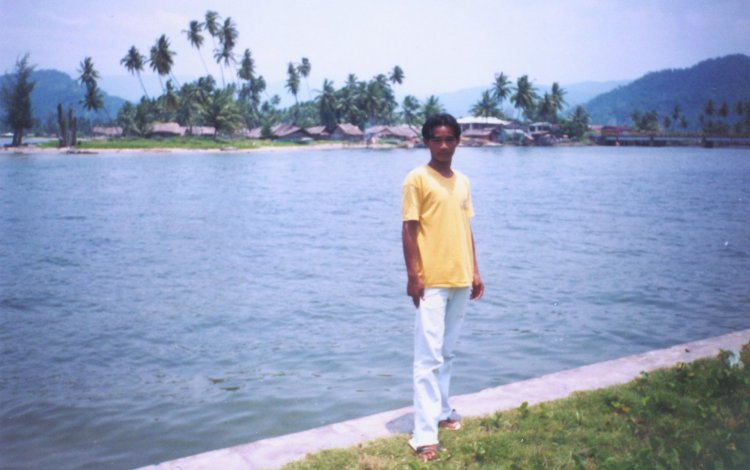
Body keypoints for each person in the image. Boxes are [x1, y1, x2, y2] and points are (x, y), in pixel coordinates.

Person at [401, 113, 484, 461]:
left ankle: (443, 410)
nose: (444, 145)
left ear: (458, 141)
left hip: (461, 278)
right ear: (427, 142)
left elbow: (466, 229)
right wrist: (414, 275)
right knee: (428, 358)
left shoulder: (463, 181)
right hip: (431, 280)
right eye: (437, 139)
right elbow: (408, 230)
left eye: (450, 139)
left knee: (447, 352)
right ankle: (424, 437)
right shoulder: (417, 179)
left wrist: (476, 272)